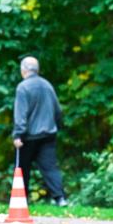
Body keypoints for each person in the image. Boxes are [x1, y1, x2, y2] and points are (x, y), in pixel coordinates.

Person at [12, 56, 67, 206]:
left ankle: (22, 200)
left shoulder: (23, 87)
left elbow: (20, 114)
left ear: (23, 70)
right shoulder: (47, 85)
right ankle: (60, 198)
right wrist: (56, 126)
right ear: (37, 70)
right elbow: (58, 110)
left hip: (28, 136)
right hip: (48, 135)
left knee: (22, 168)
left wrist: (18, 134)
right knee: (50, 168)